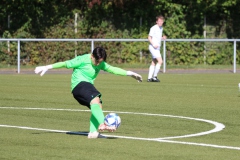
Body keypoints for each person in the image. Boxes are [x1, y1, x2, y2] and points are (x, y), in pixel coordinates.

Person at [34, 47, 142, 139]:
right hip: (79, 85)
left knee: (98, 105)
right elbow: (65, 64)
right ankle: (103, 123)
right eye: (97, 61)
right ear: (92, 56)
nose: (98, 64)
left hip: (86, 87)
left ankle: (93, 132)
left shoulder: (100, 63)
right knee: (95, 99)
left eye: (100, 62)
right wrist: (47, 67)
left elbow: (113, 69)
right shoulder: (82, 59)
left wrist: (130, 73)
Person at [147, 15, 167, 82]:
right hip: (153, 47)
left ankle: (149, 78)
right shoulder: (153, 28)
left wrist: (162, 37)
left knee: (154, 62)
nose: (161, 22)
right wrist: (153, 44)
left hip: (157, 48)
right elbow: (149, 37)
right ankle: (154, 77)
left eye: (162, 21)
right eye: (159, 21)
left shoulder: (161, 28)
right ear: (156, 22)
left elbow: (157, 37)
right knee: (160, 61)